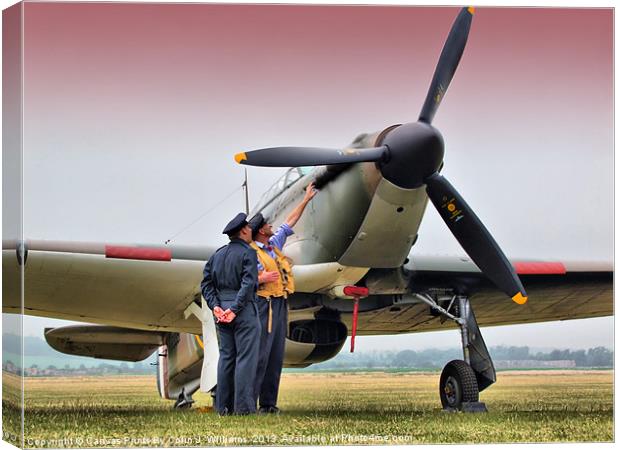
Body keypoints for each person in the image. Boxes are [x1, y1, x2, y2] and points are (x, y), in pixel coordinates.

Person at [248, 182, 318, 414]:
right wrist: (260, 278)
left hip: (280, 303)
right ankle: (250, 403)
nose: (272, 225)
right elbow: (244, 278)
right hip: (263, 304)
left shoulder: (273, 245)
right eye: (268, 224)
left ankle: (268, 404)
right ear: (260, 230)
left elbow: (289, 222)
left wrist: (306, 199)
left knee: (276, 354)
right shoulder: (251, 251)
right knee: (260, 354)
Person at [201, 212, 260, 415]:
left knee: (226, 358)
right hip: (243, 312)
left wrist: (216, 307)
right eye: (250, 228)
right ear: (243, 231)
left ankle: (223, 407)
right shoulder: (249, 253)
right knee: (245, 358)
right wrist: (234, 309)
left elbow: (206, 284)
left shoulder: (217, 254)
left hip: (221, 313)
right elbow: (248, 283)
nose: (251, 230)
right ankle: (243, 408)